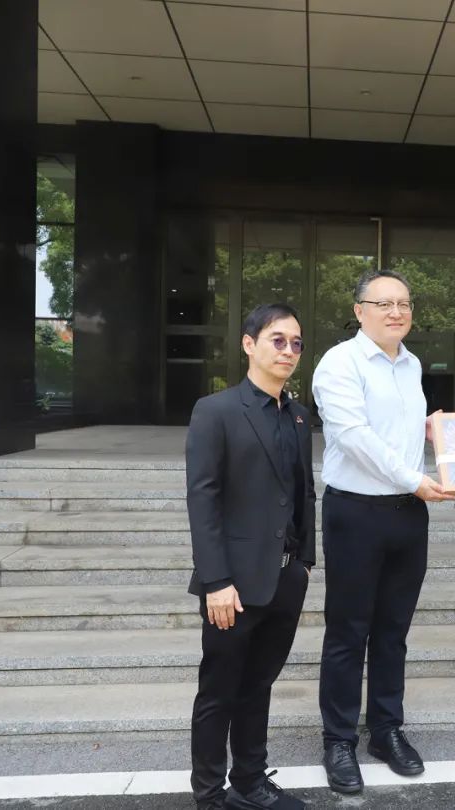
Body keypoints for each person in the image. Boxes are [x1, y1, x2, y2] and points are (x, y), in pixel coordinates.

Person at [312, 269, 452, 795]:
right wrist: (414, 479)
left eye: (404, 304)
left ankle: (386, 730)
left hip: (408, 515)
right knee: (348, 632)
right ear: (359, 311)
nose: (397, 312)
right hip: (356, 514)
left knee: (393, 631)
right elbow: (354, 437)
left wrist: (437, 432)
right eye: (384, 303)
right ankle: (338, 739)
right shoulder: (339, 363)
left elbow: (394, 430)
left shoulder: (410, 364)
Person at [186, 303, 314, 810]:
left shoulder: (298, 416)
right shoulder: (215, 411)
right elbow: (203, 500)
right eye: (277, 340)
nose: (288, 351)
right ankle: (209, 795)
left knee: (258, 686)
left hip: (284, 579)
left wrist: (304, 563)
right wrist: (216, 581)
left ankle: (250, 781)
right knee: (219, 692)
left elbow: (302, 494)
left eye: (296, 343)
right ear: (249, 344)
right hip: (232, 586)